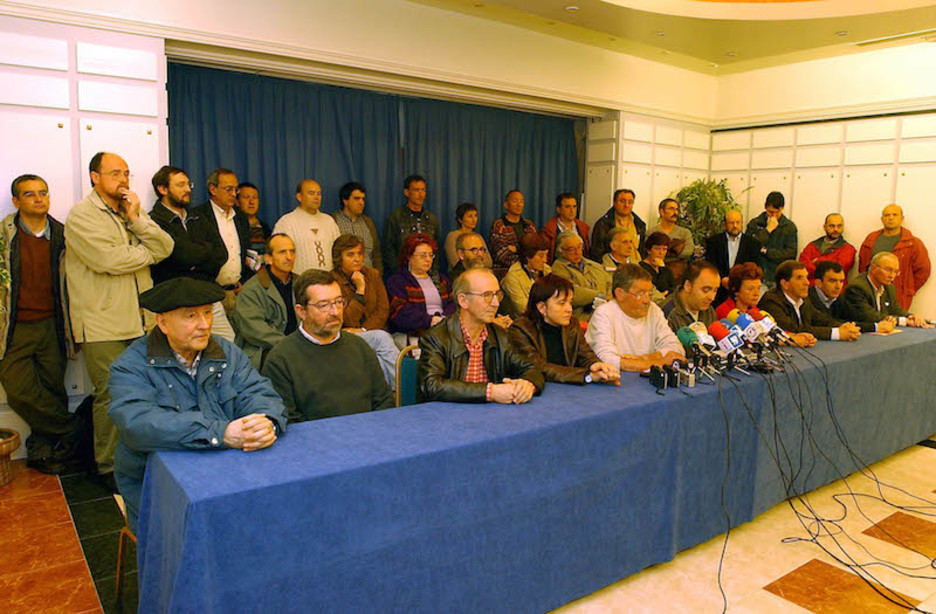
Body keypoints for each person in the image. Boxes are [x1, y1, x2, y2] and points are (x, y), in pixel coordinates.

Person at [109, 277, 286, 532]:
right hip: (159, 485)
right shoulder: (131, 366)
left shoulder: (226, 351)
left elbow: (258, 392)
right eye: (191, 316)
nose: (205, 325)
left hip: (226, 471)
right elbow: (138, 424)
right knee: (209, 535)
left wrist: (266, 422)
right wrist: (221, 433)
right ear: (162, 323)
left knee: (276, 516)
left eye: (208, 313)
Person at [65, 152, 173, 486]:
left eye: (126, 173)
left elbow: (166, 246)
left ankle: (140, 456)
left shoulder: (130, 211)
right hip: (102, 323)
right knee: (111, 394)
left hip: (140, 319)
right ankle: (109, 467)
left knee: (146, 390)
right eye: (114, 173)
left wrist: (137, 218)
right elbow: (108, 260)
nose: (123, 179)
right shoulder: (82, 215)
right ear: (94, 177)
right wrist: (147, 255)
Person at [0, 175, 81, 475]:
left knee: (52, 390)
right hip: (14, 328)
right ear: (16, 201)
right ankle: (75, 428)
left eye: (43, 193)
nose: (38, 199)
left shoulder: (63, 234)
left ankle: (43, 452)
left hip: (53, 325)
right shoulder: (3, 235)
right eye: (29, 194)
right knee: (19, 391)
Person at [262, 269, 393, 422]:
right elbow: (287, 419)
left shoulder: (360, 347)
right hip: (314, 436)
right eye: (323, 305)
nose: (335, 312)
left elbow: (384, 402)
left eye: (339, 302)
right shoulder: (281, 359)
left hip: (367, 431)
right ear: (301, 311)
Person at [417, 268, 544, 403]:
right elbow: (432, 385)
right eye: (487, 295)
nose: (496, 303)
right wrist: (490, 392)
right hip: (447, 413)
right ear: (463, 300)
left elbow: (531, 367)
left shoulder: (500, 335)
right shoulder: (436, 338)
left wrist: (527, 384)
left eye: (497, 294)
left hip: (490, 412)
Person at [149, 165, 234, 341]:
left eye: (188, 184)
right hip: (177, 303)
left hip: (207, 296)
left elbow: (221, 253)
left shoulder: (198, 217)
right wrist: (201, 254)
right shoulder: (154, 221)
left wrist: (193, 260)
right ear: (163, 189)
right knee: (187, 348)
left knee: (227, 344)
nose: (187, 189)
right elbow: (179, 255)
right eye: (180, 185)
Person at [509, 274, 619, 385]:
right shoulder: (521, 329)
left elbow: (585, 354)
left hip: (568, 388)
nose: (569, 309)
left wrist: (598, 366)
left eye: (570, 302)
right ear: (542, 307)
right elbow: (537, 367)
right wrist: (587, 376)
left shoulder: (572, 324)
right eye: (562, 303)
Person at [585, 264, 685, 372]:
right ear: (620, 294)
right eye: (640, 294)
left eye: (649, 294)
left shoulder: (653, 310)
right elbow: (606, 359)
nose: (647, 301)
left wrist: (645, 358)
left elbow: (676, 347)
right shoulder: (604, 314)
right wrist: (659, 362)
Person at [332, 234, 399, 388]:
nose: (357, 259)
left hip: (369, 332)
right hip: (346, 337)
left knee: (380, 362)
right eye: (350, 255)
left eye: (360, 254)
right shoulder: (331, 281)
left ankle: (394, 396)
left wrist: (363, 330)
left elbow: (383, 309)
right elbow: (346, 319)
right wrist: (360, 291)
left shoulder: (373, 275)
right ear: (339, 258)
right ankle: (408, 389)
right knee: (381, 338)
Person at [190, 168, 254, 317]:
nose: (234, 194)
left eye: (236, 189)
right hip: (210, 294)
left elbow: (247, 254)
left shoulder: (241, 218)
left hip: (238, 293)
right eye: (228, 189)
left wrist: (244, 282)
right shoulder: (198, 216)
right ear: (213, 189)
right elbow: (196, 257)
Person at [233, 233, 298, 369]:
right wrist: (292, 345)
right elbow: (255, 330)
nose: (289, 257)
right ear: (269, 258)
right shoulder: (252, 290)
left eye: (292, 252)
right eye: (282, 252)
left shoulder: (300, 284)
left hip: (296, 350)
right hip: (263, 352)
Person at [758, 260, 861, 344]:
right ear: (785, 284)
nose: (807, 282)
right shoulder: (771, 301)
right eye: (799, 278)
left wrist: (844, 327)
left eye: (806, 277)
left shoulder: (804, 300)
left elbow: (821, 320)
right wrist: (837, 333)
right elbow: (794, 329)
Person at [386, 233, 455, 347]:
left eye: (431, 255)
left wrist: (443, 319)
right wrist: (430, 321)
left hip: (443, 329)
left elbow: (454, 303)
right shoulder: (398, 281)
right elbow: (400, 312)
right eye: (423, 256)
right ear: (409, 257)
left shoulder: (441, 279)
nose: (428, 259)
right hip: (413, 333)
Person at [857, 204, 930, 311]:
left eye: (895, 215)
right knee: (871, 319)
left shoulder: (913, 243)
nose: (890, 218)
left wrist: (907, 289)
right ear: (882, 219)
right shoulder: (871, 239)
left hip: (899, 295)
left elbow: (924, 270)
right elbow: (863, 265)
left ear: (902, 218)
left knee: (895, 320)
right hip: (871, 292)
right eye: (887, 215)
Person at [842, 252, 933, 329]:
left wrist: (911, 316)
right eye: (888, 270)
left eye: (896, 272)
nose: (892, 276)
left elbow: (895, 310)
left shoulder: (889, 287)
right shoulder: (857, 287)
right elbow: (869, 316)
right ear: (873, 268)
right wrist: (904, 321)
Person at [273, 179, 341, 273]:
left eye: (319, 194)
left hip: (329, 278)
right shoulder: (286, 222)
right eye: (311, 193)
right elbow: (277, 256)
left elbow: (339, 251)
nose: (316, 197)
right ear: (299, 197)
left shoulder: (329, 221)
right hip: (299, 279)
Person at [810, 260, 895, 333]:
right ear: (819, 283)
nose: (838, 286)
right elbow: (831, 323)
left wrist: (884, 321)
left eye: (841, 281)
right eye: (832, 281)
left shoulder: (838, 298)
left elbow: (857, 316)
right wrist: (875, 327)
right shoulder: (808, 299)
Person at [382, 175, 440, 274]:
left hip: (427, 273)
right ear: (407, 192)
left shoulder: (431, 220)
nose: (420, 194)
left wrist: (433, 271)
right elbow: (388, 249)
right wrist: (399, 271)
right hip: (403, 273)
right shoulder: (395, 218)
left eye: (423, 190)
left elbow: (437, 250)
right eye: (416, 190)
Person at [704, 208, 760, 306]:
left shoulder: (752, 244)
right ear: (725, 224)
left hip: (742, 293)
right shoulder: (713, 242)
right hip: (718, 291)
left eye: (738, 222)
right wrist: (721, 279)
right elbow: (710, 264)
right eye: (731, 223)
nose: (735, 226)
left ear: (742, 223)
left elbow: (754, 267)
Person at [551, 231, 611, 322]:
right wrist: (600, 296)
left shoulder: (594, 265)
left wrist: (609, 297)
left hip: (605, 312)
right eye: (571, 249)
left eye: (579, 247)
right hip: (580, 317)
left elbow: (610, 283)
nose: (577, 252)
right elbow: (571, 292)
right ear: (561, 251)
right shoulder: (557, 269)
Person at [746, 191, 797, 288]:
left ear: (782, 209)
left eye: (777, 212)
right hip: (758, 274)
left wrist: (766, 252)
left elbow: (790, 253)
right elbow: (749, 246)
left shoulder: (789, 227)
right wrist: (767, 230)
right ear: (765, 207)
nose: (773, 215)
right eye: (770, 212)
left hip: (778, 276)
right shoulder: (755, 223)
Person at [332, 181, 383, 275]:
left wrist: (378, 274)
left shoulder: (368, 222)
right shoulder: (333, 221)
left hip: (368, 276)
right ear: (345, 201)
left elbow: (376, 253)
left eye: (363, 199)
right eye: (356, 199)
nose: (361, 203)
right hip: (343, 278)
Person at [501, 232, 551, 316]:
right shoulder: (513, 277)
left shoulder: (547, 270)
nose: (545, 260)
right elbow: (524, 309)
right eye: (541, 256)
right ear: (528, 256)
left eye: (546, 255)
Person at [661, 260, 720, 332]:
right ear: (688, 286)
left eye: (715, 291)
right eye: (705, 290)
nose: (712, 298)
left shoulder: (709, 311)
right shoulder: (667, 314)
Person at [590, 189, 647, 262]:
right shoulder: (603, 224)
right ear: (614, 202)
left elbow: (642, 250)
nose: (626, 205)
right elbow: (597, 253)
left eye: (630, 202)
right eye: (622, 201)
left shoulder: (639, 224)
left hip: (636, 265)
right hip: (612, 266)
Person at [797, 213, 855, 284]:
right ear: (825, 227)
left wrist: (817, 261)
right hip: (809, 287)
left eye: (839, 226)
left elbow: (836, 270)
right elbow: (802, 267)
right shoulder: (812, 246)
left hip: (835, 288)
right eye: (832, 226)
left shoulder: (848, 249)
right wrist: (827, 265)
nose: (836, 229)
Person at [489, 189, 537, 272]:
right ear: (506, 205)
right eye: (515, 201)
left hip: (530, 268)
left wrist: (517, 249)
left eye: (521, 202)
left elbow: (536, 248)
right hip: (506, 270)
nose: (519, 205)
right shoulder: (499, 225)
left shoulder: (529, 225)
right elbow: (502, 254)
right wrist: (524, 264)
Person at [647, 198, 694, 279]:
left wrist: (664, 251)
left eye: (677, 209)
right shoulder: (652, 232)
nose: (675, 212)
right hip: (656, 269)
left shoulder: (684, 232)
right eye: (671, 209)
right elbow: (648, 251)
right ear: (662, 212)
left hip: (679, 271)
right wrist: (676, 248)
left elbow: (688, 251)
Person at [540, 192, 590, 263]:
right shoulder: (548, 231)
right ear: (558, 209)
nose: (572, 210)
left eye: (574, 206)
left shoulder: (582, 228)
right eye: (567, 207)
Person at [444, 202, 492, 272]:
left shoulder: (478, 237)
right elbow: (455, 262)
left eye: (475, 216)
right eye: (470, 216)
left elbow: (489, 262)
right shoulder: (452, 236)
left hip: (480, 273)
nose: (474, 219)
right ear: (460, 219)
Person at [236, 182, 271, 259]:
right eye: (246, 197)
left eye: (255, 197)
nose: (251, 202)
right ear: (237, 202)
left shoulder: (265, 228)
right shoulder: (233, 226)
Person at [640, 232, 676, 303]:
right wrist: (662, 268)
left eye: (664, 249)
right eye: (657, 249)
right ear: (649, 250)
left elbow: (674, 289)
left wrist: (662, 268)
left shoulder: (666, 269)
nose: (661, 253)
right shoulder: (641, 268)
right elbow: (660, 288)